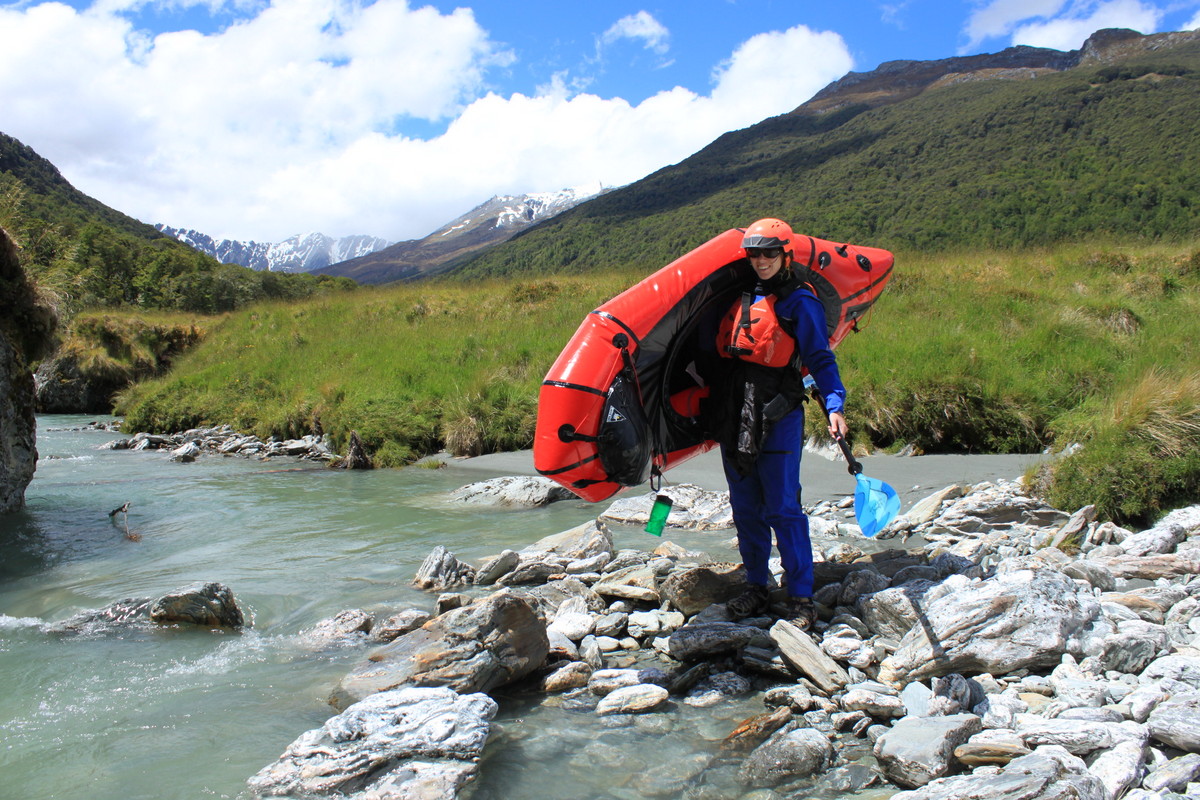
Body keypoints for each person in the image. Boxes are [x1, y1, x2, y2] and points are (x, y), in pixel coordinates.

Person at [711, 218, 848, 629]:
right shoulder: (738, 294)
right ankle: (756, 586)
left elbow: (820, 358)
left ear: (785, 254)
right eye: (754, 253)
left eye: (769, 252)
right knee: (745, 508)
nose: (761, 260)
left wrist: (835, 405)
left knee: (784, 508)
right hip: (736, 409)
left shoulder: (799, 301)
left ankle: (801, 597)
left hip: (779, 411)